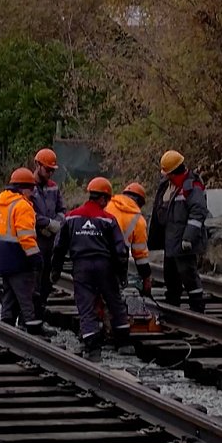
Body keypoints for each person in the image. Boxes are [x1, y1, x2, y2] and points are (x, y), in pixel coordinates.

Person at [50, 177, 132, 358]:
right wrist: (122, 274)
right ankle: (124, 343)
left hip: (82, 267)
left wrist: (55, 269)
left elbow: (59, 246)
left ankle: (93, 348)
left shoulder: (71, 217)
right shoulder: (108, 220)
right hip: (105, 267)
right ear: (102, 198)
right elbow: (120, 251)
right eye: (107, 200)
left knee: (86, 305)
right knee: (115, 302)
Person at [0, 168, 44, 334]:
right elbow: (26, 237)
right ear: (24, 188)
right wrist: (36, 258)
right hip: (18, 260)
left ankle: (6, 325)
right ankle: (33, 328)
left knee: (9, 294)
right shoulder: (23, 206)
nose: (33, 193)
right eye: (32, 189)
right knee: (27, 296)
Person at [147, 150, 208, 312]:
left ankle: (197, 305)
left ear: (174, 172)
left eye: (168, 173)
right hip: (170, 239)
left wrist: (188, 237)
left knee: (188, 274)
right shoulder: (167, 185)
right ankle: (173, 304)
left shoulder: (192, 186)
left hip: (183, 240)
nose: (165, 176)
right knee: (170, 275)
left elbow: (198, 213)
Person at [30, 148, 66, 320]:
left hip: (50, 242)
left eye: (52, 170)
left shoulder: (53, 187)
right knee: (34, 281)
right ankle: (29, 318)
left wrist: (56, 223)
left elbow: (62, 210)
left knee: (46, 282)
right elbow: (26, 211)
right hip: (34, 240)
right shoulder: (27, 186)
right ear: (38, 165)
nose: (50, 173)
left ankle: (39, 316)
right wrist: (45, 223)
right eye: (47, 169)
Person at [107, 182, 152, 295]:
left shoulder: (107, 205)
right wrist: (146, 278)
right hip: (118, 257)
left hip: (96, 250)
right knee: (115, 291)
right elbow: (140, 256)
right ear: (140, 202)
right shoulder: (139, 220)